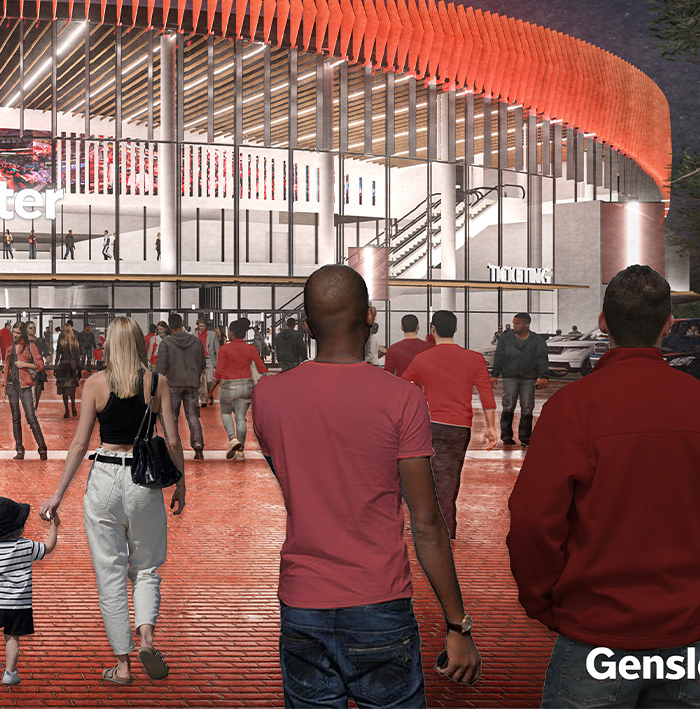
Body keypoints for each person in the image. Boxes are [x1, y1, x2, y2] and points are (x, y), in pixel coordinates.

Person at [508, 265, 700, 707]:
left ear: (603, 322)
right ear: (669, 324)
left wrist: (543, 601)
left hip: (597, 632)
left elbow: (534, 522)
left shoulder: (573, 407)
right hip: (684, 635)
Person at [251, 265, 479, 704]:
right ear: (370, 316)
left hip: (302, 601)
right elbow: (427, 523)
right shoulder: (402, 398)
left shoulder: (268, 396)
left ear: (307, 325)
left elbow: (292, 480)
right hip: (379, 600)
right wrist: (457, 624)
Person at [38, 316, 183, 684]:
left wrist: (58, 494)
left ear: (108, 345)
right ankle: (146, 638)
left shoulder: (95, 384)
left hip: (104, 477)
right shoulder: (157, 383)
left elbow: (79, 444)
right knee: (147, 568)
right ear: (139, 343)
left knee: (110, 573)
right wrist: (180, 484)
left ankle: (122, 665)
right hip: (144, 481)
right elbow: (172, 439)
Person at [398, 310, 496, 539]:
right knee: (450, 478)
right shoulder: (474, 359)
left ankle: (437, 528)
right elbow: (486, 395)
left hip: (431, 425)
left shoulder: (422, 359)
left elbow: (403, 386)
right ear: (456, 328)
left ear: (432, 330)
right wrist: (491, 428)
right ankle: (445, 527)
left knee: (435, 478)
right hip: (460, 428)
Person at [0, 497, 59, 687]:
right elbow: (48, 547)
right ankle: (10, 673)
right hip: (20, 606)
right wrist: (54, 525)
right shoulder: (27, 546)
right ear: (19, 529)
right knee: (12, 638)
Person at [490, 312, 550, 447]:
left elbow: (542, 359)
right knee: (508, 405)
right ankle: (506, 437)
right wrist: (495, 374)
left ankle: (525, 437)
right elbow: (499, 356)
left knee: (527, 407)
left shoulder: (537, 340)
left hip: (529, 378)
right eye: (514, 323)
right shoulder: (505, 338)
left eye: (517, 323)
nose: (514, 326)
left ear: (526, 324)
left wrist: (544, 377)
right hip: (509, 376)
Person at [152, 314, 207, 461]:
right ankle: (197, 444)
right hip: (192, 383)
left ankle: (173, 447)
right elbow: (202, 363)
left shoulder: (166, 343)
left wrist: (158, 386)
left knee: (172, 416)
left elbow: (161, 368)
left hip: (173, 384)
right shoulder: (196, 341)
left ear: (169, 327)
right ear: (182, 324)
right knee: (193, 416)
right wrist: (195, 375)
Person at [211, 318, 265, 459]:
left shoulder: (224, 349)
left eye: (229, 330)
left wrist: (210, 390)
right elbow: (262, 369)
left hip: (229, 386)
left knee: (226, 413)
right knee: (241, 417)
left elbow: (218, 372)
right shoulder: (251, 349)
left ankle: (232, 439)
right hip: (246, 386)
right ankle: (240, 452)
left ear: (232, 333)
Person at [5, 325, 49, 461]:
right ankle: (19, 449)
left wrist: (24, 364)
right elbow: (7, 367)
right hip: (11, 385)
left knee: (31, 417)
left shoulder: (30, 346)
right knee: (15, 418)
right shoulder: (10, 347)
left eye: (18, 333)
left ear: (22, 334)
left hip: (25, 386)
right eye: (13, 332)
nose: (15, 335)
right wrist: (3, 387)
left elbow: (40, 365)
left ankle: (42, 448)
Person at [54, 326, 83, 418]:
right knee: (72, 388)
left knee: (64, 389)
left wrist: (55, 367)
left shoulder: (61, 341)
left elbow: (58, 355)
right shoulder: (75, 341)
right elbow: (77, 357)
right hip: (72, 366)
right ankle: (73, 405)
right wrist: (79, 369)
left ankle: (67, 410)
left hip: (63, 365)